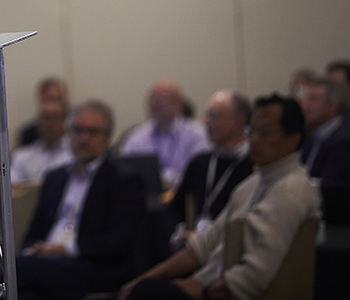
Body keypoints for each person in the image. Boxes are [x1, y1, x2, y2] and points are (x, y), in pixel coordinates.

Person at [118, 94, 321, 300]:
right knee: (139, 288)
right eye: (251, 132)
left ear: (293, 139)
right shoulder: (253, 183)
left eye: (265, 133)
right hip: (209, 282)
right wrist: (144, 279)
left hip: (224, 292)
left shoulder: (291, 189)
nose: (254, 140)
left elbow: (253, 276)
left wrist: (201, 290)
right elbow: (204, 245)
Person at [16, 100, 145, 299]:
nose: (83, 138)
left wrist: (65, 250)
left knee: (15, 269)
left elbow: (118, 242)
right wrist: (32, 249)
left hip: (91, 266)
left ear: (107, 138)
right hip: (44, 262)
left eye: (93, 132)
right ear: (68, 133)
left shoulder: (124, 180)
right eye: (77, 130)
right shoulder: (55, 177)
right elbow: (34, 229)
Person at [167, 90, 254, 247]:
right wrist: (179, 230)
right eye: (206, 115)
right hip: (198, 243)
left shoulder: (254, 164)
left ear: (238, 121)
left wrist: (207, 235)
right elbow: (174, 209)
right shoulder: (201, 162)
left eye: (213, 116)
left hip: (236, 244)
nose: (206, 122)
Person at [120, 78, 210, 189]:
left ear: (179, 104)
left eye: (164, 99)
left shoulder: (198, 134)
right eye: (153, 99)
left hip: (184, 197)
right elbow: (123, 170)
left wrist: (171, 182)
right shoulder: (135, 137)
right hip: (146, 197)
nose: (157, 104)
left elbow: (201, 173)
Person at [10, 98, 74, 186]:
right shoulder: (22, 157)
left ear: (65, 121)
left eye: (54, 118)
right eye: (45, 118)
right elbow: (11, 186)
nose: (49, 123)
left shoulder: (75, 155)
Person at [19, 77, 69, 146]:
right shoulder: (29, 134)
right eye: (50, 99)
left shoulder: (78, 128)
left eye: (58, 98)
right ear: (41, 100)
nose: (54, 103)